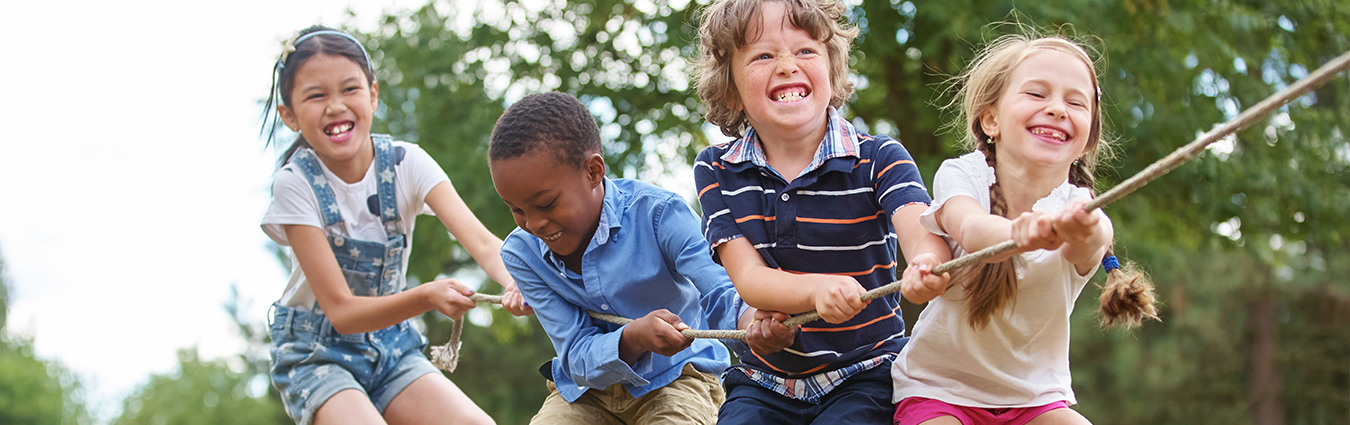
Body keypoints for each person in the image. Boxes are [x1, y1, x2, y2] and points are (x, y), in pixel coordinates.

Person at [691, 0, 952, 423]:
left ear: (832, 70)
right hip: (764, 381)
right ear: (731, 93)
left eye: (805, 50)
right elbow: (751, 279)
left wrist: (928, 263)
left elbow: (919, 229)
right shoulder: (716, 169)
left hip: (866, 371)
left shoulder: (880, 156)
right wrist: (816, 291)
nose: (787, 65)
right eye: (763, 55)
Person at [259, 25, 527, 425]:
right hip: (316, 354)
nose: (335, 106)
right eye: (316, 96)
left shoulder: (407, 163)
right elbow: (342, 312)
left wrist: (517, 280)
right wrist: (425, 297)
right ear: (290, 115)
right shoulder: (294, 185)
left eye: (349, 89)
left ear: (373, 94)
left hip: (390, 346)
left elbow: (485, 246)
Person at [890, 32, 1158, 425]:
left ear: (1087, 139)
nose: (1056, 109)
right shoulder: (963, 175)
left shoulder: (1077, 207)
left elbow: (1094, 240)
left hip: (1034, 399)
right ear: (991, 119)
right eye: (1037, 94)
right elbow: (969, 227)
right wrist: (1022, 234)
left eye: (1075, 101)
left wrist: (1088, 228)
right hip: (940, 390)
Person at [490, 92, 789, 425]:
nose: (533, 224)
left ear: (593, 171)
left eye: (546, 205)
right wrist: (632, 339)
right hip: (583, 391)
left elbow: (720, 286)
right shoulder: (522, 254)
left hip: (679, 379)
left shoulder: (659, 214)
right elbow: (575, 355)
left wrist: (753, 324)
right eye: (516, 209)